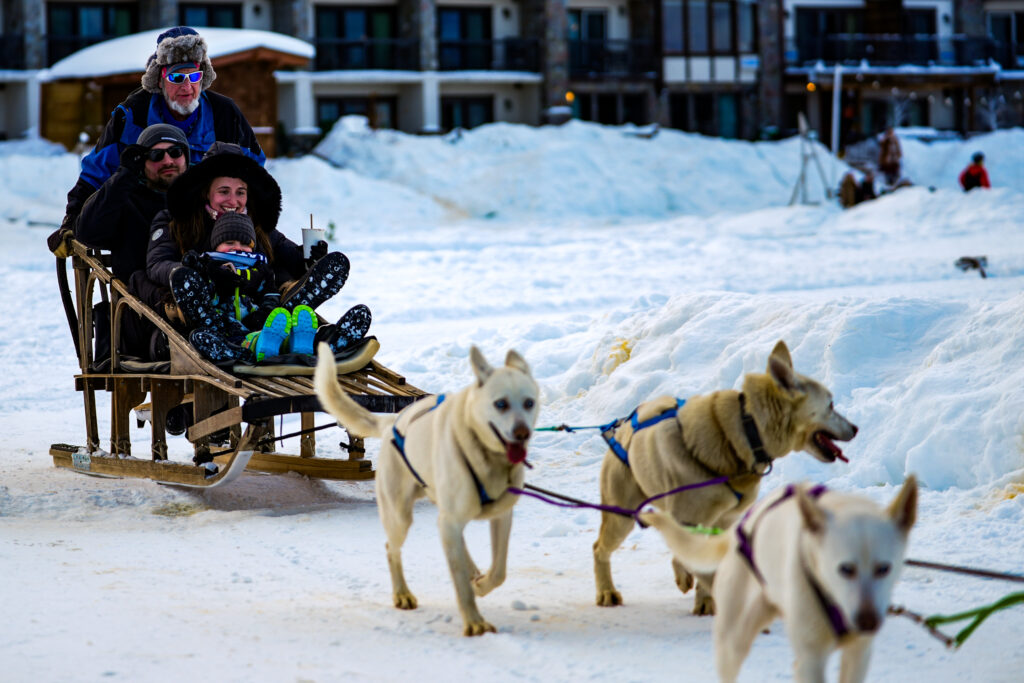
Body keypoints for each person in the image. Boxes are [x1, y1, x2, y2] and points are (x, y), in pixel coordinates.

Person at [145, 143, 371, 364]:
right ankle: (229, 336)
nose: (233, 201)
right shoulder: (177, 221)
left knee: (277, 272)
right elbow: (157, 263)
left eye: (240, 192)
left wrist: (309, 257)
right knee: (188, 285)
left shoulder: (256, 224)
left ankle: (300, 319)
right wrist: (189, 269)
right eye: (224, 191)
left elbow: (287, 252)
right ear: (206, 192)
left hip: (259, 309)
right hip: (207, 310)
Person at [49, 26, 265, 257]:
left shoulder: (224, 114)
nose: (187, 86)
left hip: (209, 225)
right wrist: (71, 220)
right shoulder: (133, 114)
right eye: (176, 77)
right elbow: (96, 173)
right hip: (144, 226)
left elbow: (254, 174)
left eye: (194, 76)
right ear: (159, 79)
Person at [73, 123, 190, 360]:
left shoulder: (200, 200)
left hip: (203, 306)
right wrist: (124, 175)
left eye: (176, 152)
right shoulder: (127, 201)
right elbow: (87, 232)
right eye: (157, 155)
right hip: (141, 317)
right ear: (142, 162)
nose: (168, 160)